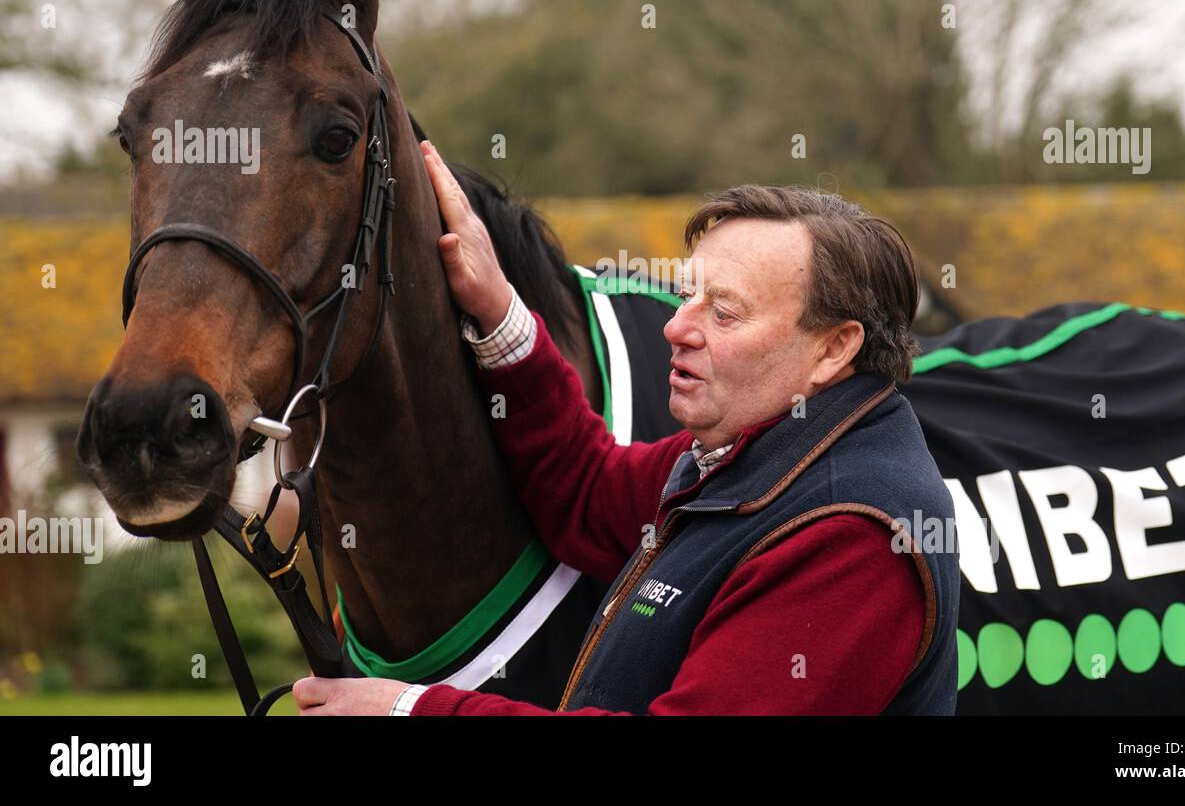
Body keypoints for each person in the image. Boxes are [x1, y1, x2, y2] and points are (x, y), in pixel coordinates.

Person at [293, 141, 959, 715]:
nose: (676, 326)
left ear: (833, 349)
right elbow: (588, 491)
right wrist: (498, 309)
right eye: (689, 294)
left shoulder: (849, 533)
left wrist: (410, 705)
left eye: (722, 312)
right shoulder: (761, 455)